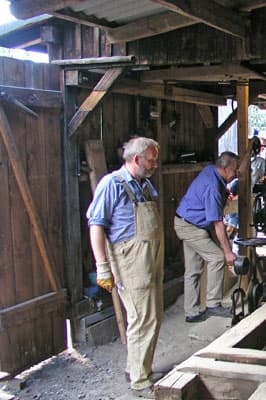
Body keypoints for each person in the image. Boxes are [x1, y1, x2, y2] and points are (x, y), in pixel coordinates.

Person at [86, 137, 163, 397]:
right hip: (130, 260)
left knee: (152, 317)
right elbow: (96, 225)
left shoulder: (145, 185)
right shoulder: (112, 184)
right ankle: (141, 380)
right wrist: (103, 267)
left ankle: (136, 367)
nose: (155, 164)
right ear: (136, 159)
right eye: (151, 160)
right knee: (142, 319)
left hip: (150, 257)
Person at [174, 151, 249, 323]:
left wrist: (247, 153)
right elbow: (218, 224)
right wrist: (228, 252)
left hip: (187, 221)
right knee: (217, 258)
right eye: (234, 169)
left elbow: (238, 175)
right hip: (190, 227)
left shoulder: (212, 171)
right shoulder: (213, 187)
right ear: (225, 167)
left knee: (193, 269)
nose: (236, 173)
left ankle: (191, 312)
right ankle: (213, 304)